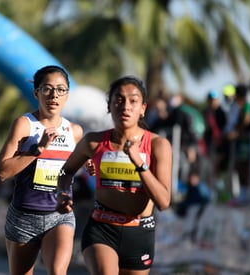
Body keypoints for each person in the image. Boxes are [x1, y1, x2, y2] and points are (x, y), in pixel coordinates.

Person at [56, 76, 172, 274]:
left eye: (133, 101)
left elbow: (163, 202)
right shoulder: (93, 142)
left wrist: (139, 163)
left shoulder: (158, 145)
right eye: (118, 100)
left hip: (139, 232)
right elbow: (65, 172)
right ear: (109, 106)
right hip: (102, 228)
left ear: (143, 108)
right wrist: (63, 193)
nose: (125, 106)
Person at [0, 65, 83, 275]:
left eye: (61, 89)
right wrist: (38, 149)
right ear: (37, 92)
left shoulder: (75, 131)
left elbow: (74, 171)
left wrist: (90, 166)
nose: (54, 95)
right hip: (24, 216)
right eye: (47, 89)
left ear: (67, 94)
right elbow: (2, 172)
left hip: (59, 215)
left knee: (57, 272)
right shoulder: (25, 125)